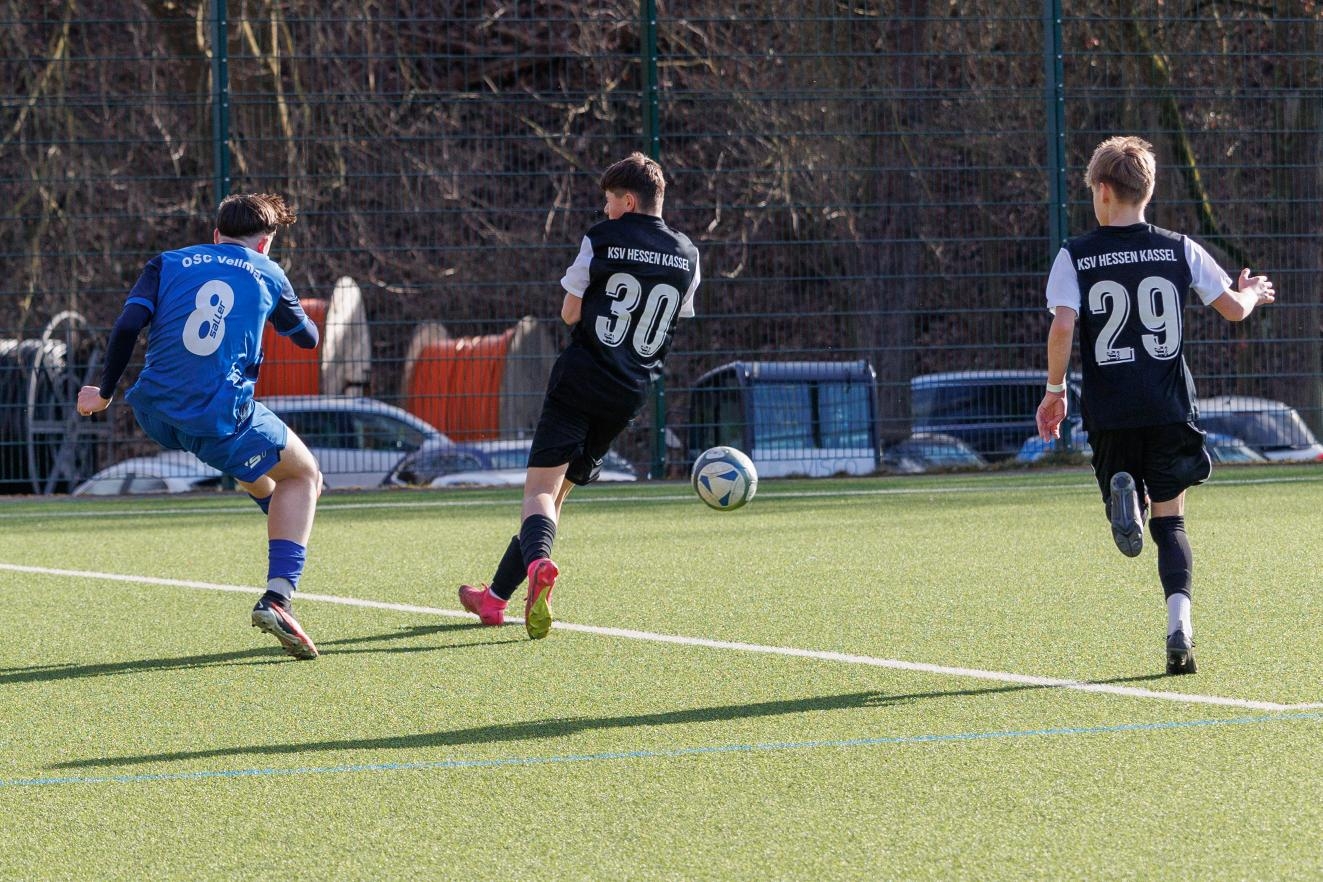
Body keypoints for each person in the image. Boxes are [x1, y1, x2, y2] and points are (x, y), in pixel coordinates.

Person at [1035, 136, 1275, 675]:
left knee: (1126, 496)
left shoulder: (1075, 254)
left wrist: (1055, 390)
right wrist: (1253, 293)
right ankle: (1179, 629)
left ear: (1102, 191)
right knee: (1174, 524)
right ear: (1147, 191)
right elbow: (1234, 310)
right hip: (1170, 408)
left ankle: (1127, 501)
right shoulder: (1179, 248)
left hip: (1111, 411)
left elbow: (1064, 325)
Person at [459, 152, 701, 639]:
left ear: (628, 201)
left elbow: (570, 313)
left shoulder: (602, 237)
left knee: (538, 493)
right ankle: (495, 599)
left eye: (610, 200)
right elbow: (673, 317)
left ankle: (539, 566)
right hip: (629, 392)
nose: (605, 209)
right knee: (556, 498)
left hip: (581, 378)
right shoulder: (689, 255)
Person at [76, 193, 324, 660]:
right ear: (265, 243)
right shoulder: (269, 272)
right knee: (306, 475)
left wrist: (104, 393)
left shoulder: (167, 262)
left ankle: (279, 515)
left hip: (152, 411)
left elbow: (128, 325)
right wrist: (284, 304)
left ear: (215, 234)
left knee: (258, 470)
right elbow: (308, 340)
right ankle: (278, 597)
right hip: (217, 417)